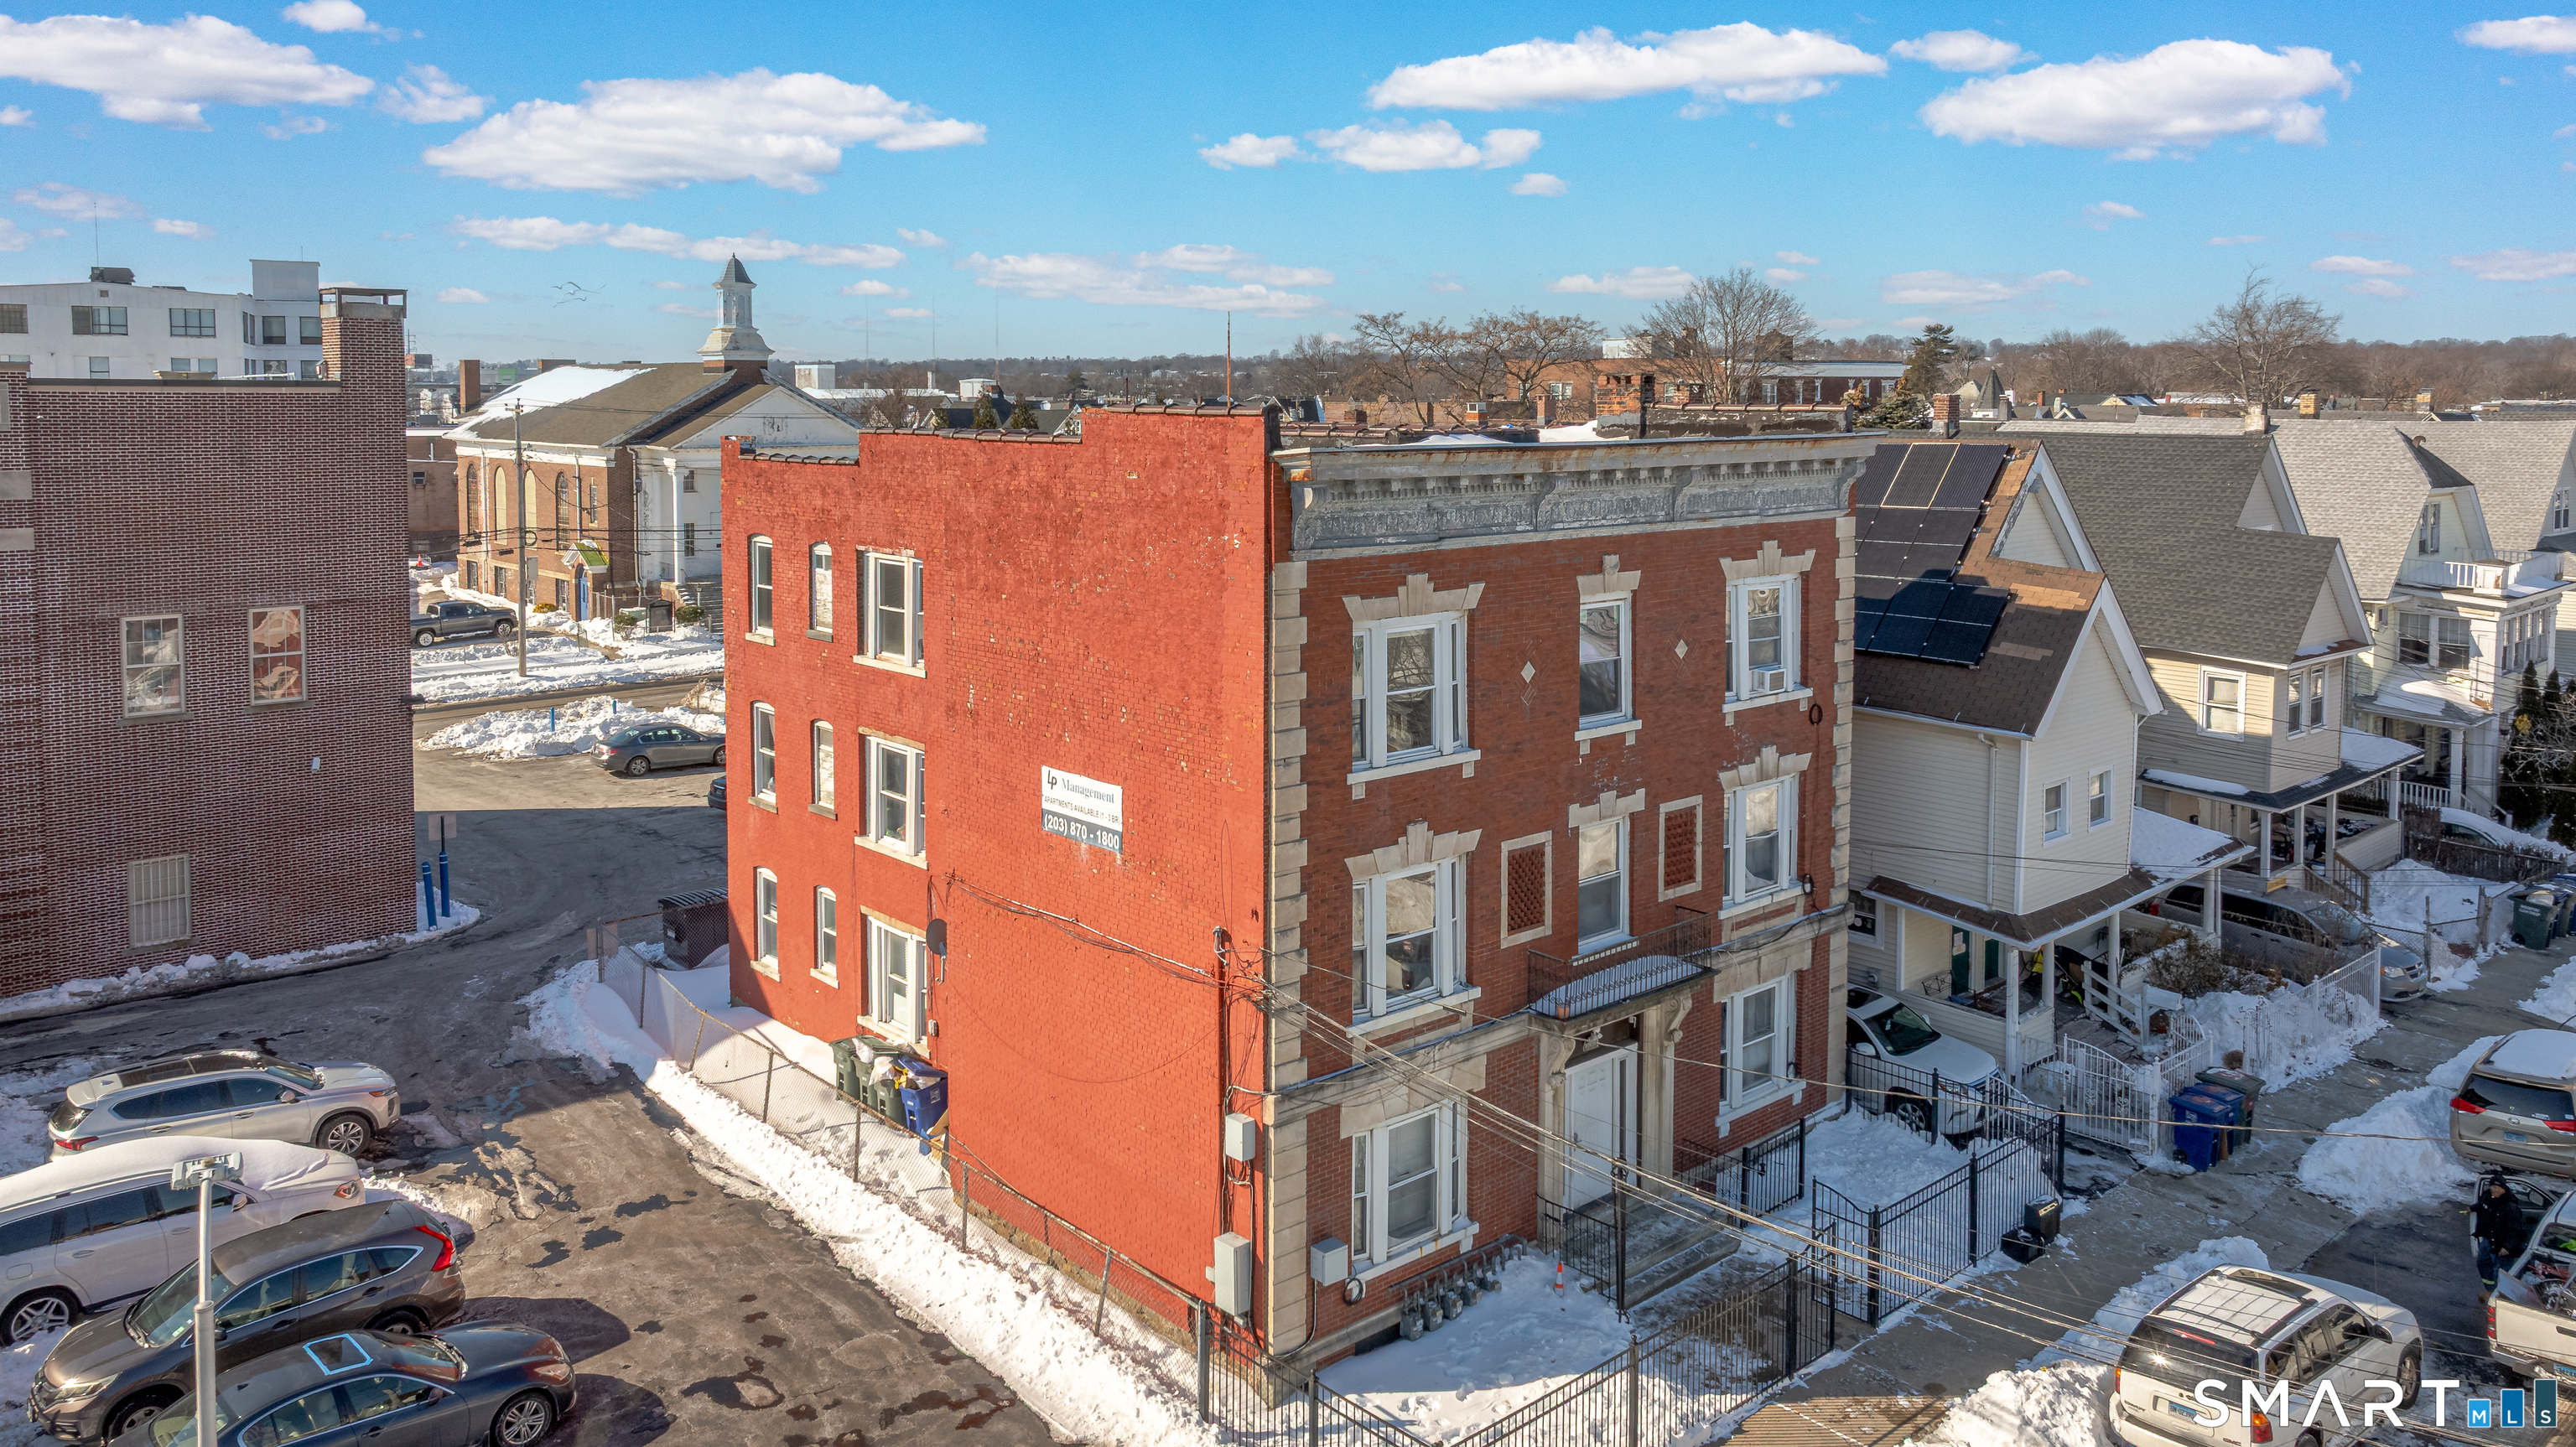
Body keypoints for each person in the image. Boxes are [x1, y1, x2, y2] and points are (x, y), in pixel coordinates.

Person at [2475, 1171, 2528, 1298]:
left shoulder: (2510, 1207)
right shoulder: (2488, 1198)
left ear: (2504, 1189)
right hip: (2489, 1241)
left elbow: (2516, 1230)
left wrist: (2507, 1247)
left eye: (2499, 1188)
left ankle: (2499, 1297)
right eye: (2493, 1187)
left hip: (2503, 1246)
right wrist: (2472, 1208)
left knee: (2500, 1273)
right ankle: (2490, 1290)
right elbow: (2482, 1206)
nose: (2496, 1190)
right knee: (2483, 1263)